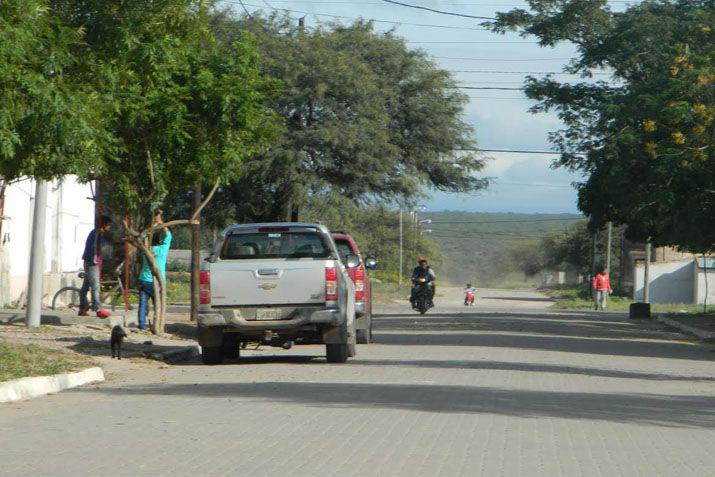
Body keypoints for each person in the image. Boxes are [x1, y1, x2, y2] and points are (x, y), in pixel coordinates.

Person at [137, 214, 172, 330]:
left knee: (142, 304)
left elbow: (142, 237)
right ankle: (157, 326)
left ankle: (142, 325)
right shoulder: (162, 250)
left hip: (144, 280)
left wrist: (152, 226)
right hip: (157, 282)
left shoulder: (147, 250)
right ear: (159, 241)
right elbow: (169, 236)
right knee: (158, 304)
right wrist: (161, 223)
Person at [79, 215, 112, 318]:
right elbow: (95, 248)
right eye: (109, 225)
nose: (109, 228)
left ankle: (82, 309)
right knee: (95, 286)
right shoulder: (97, 233)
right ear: (104, 224)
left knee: (85, 288)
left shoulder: (97, 233)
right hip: (92, 263)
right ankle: (97, 308)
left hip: (90, 262)